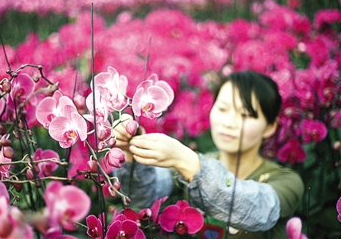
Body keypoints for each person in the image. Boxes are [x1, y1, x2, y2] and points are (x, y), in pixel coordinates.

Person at [113, 70, 304, 238]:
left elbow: (257, 210)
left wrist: (188, 162)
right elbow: (143, 197)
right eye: (222, 109)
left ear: (270, 127)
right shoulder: (193, 164)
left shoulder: (287, 182)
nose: (229, 122)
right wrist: (130, 154)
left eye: (244, 114)